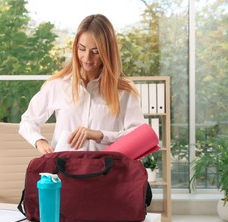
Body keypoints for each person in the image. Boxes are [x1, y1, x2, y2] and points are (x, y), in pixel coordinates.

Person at [19, 14, 145, 154]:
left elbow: (139, 136)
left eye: (96, 51)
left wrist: (100, 135)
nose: (87, 58)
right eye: (82, 48)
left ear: (107, 52)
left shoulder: (123, 91)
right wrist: (40, 141)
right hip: (64, 171)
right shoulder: (57, 85)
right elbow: (27, 121)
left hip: (105, 172)